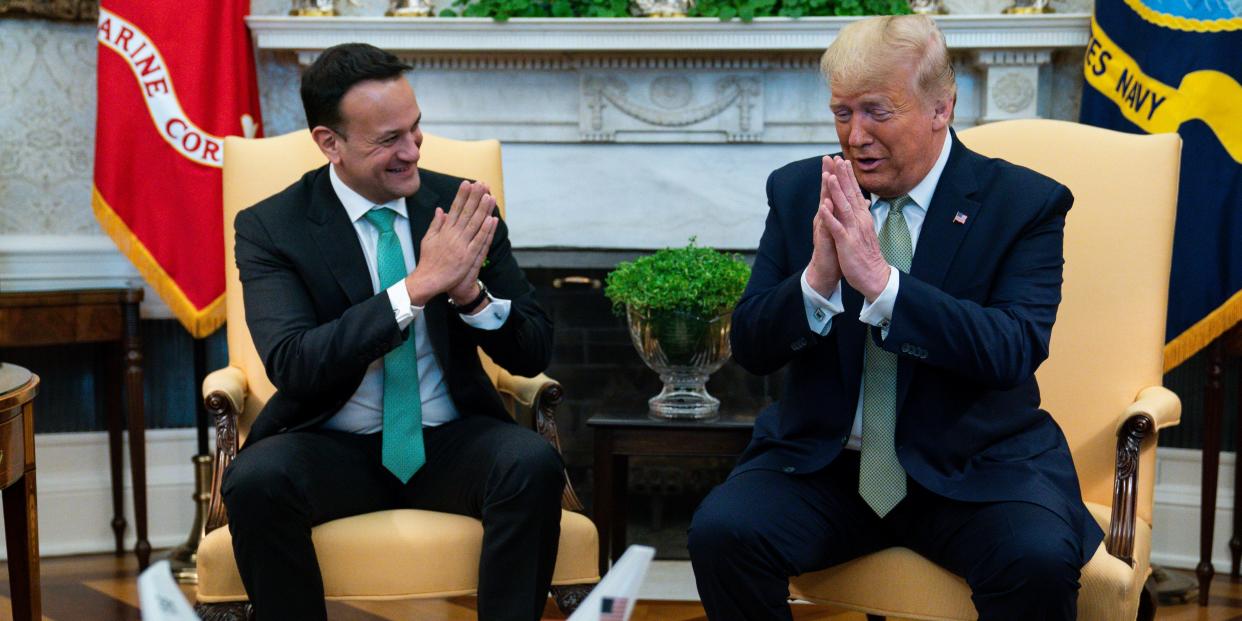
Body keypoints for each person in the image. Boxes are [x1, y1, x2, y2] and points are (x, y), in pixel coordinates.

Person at [688, 15, 1102, 621]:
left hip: (973, 469)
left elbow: (1013, 346)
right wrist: (816, 283)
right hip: (828, 467)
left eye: (877, 112)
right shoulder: (804, 190)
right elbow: (751, 346)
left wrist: (884, 287)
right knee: (722, 533)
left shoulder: (1023, 203)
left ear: (942, 107)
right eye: (841, 113)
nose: (855, 137)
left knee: (1035, 559)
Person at [223, 43, 562, 621]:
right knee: (256, 481)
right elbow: (295, 363)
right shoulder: (272, 227)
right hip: (330, 443)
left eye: (416, 129)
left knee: (531, 463)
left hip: (449, 438)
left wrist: (466, 292)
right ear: (330, 142)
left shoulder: (461, 207)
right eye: (388, 140)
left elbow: (532, 350)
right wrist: (417, 287)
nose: (411, 151)